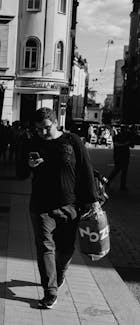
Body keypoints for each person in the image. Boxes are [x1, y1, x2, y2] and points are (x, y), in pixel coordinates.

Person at [18, 108, 100, 309]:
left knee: (65, 248)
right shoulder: (32, 143)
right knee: (45, 247)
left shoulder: (73, 141)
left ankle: (60, 273)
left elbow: (86, 171)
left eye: (46, 128)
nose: (42, 133)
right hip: (41, 206)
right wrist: (28, 165)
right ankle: (50, 292)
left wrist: (93, 201)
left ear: (56, 123)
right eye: (38, 129)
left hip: (70, 206)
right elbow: (19, 174)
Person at [107, 125, 134, 190]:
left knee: (118, 170)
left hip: (118, 155)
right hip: (123, 155)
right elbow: (131, 145)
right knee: (122, 171)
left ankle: (109, 182)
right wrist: (126, 144)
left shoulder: (117, 137)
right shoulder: (125, 137)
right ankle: (121, 185)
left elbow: (116, 144)